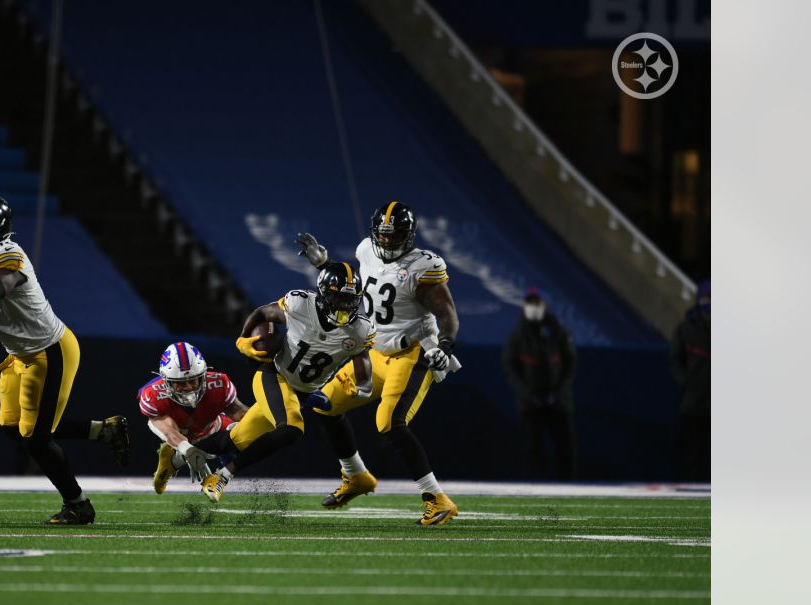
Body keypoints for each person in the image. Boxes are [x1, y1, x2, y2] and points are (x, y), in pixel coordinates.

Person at [0, 193, 129, 525]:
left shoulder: (11, 257)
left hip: (50, 350)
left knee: (37, 439)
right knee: (13, 428)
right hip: (18, 354)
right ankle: (104, 431)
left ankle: (78, 505)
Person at [293, 200, 461, 526]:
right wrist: (324, 264)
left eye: (393, 235)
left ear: (408, 235)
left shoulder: (423, 266)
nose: (385, 241)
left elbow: (446, 314)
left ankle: (438, 499)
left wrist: (445, 345)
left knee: (389, 424)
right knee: (323, 405)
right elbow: (363, 285)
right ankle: (356, 476)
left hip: (412, 354)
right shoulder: (365, 250)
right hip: (375, 352)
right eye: (382, 235)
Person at [192, 263, 376, 501]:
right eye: (339, 298)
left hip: (300, 393)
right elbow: (262, 313)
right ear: (324, 293)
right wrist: (243, 339)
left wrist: (359, 391)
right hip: (273, 374)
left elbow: (365, 381)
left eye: (350, 300)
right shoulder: (300, 304)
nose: (344, 305)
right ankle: (222, 476)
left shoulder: (360, 329)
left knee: (234, 440)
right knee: (291, 429)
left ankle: (176, 454)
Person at [137, 342, 249, 498]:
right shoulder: (153, 394)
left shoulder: (219, 383)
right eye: (181, 383)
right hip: (180, 431)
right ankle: (172, 461)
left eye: (193, 380)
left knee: (244, 434)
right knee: (185, 443)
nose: (188, 387)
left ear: (203, 376)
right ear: (167, 382)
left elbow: (241, 414)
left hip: (211, 426)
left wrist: (258, 422)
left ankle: (172, 462)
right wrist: (186, 449)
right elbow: (169, 430)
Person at [501, 288, 578, 479]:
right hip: (530, 402)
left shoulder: (557, 332)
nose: (534, 307)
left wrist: (559, 393)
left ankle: (569, 485)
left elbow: (570, 363)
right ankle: (533, 486)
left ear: (544, 305)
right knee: (532, 447)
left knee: (564, 446)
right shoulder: (518, 335)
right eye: (530, 303)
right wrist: (527, 394)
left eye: (537, 303)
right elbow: (510, 367)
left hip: (558, 401)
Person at [670, 278, 710, 481]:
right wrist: (687, 382)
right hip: (693, 400)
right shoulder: (687, 328)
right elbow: (675, 359)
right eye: (706, 297)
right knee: (690, 451)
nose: (709, 302)